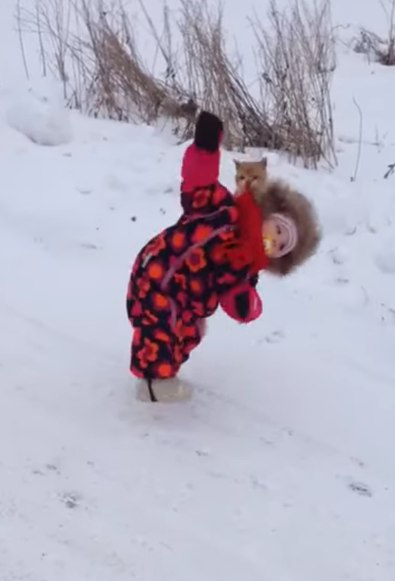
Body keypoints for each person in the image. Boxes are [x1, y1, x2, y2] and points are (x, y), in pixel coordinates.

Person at [125, 110, 320, 402]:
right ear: (268, 215)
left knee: (185, 334)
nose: (273, 241)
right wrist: (206, 149)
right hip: (161, 274)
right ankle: (155, 385)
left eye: (280, 246)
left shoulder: (247, 267)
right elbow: (197, 185)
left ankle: (164, 376)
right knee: (159, 325)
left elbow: (238, 298)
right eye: (277, 231)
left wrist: (245, 305)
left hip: (191, 301)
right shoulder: (224, 210)